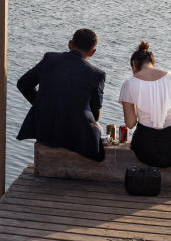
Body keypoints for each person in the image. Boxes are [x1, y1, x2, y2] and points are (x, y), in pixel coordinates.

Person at [16, 29, 107, 161]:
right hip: (75, 136)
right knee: (98, 136)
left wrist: (41, 104)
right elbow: (95, 111)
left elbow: (23, 84)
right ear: (92, 52)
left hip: (44, 131)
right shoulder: (97, 74)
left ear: (70, 44)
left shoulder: (49, 59)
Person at [119, 41, 171, 168]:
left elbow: (130, 123)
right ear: (152, 63)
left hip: (147, 150)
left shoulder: (129, 83)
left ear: (134, 64)